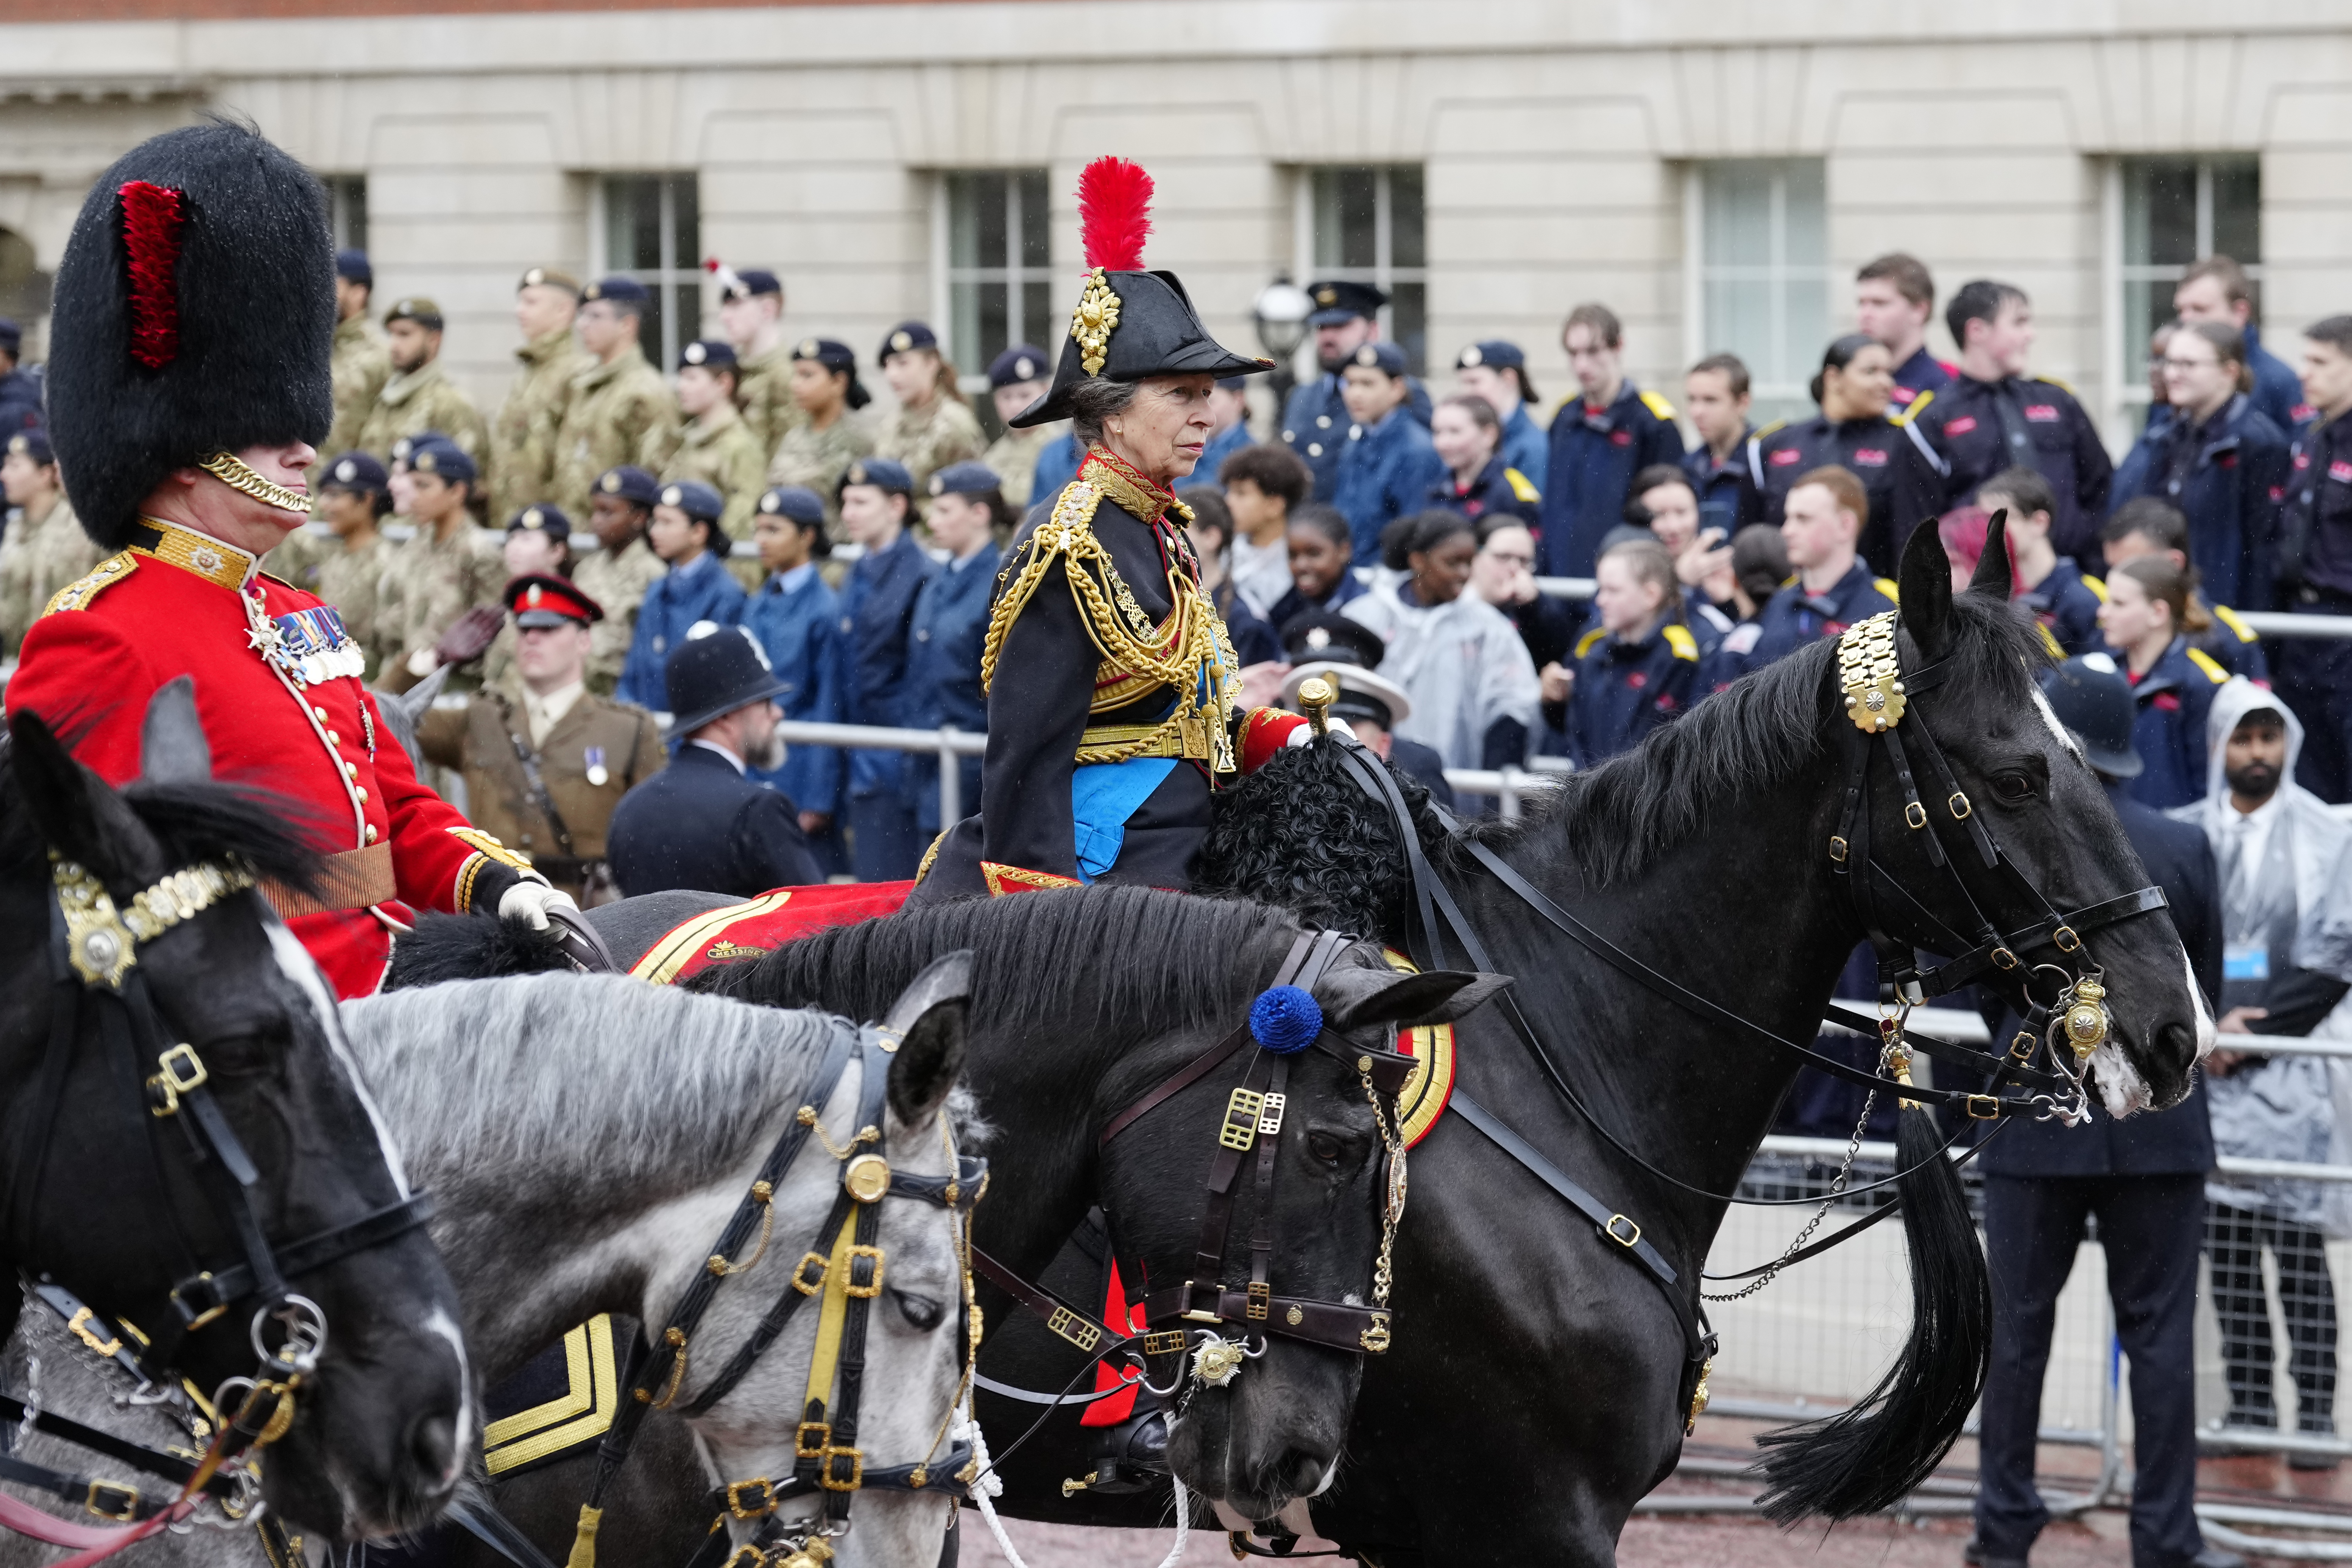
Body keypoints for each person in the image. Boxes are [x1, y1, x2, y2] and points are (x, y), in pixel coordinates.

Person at [5, 120, 567, 1001]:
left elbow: (394, 802)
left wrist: (497, 879)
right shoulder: (99, 634)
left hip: (390, 980)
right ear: (186, 448)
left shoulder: (298, 612)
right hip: (267, 1029)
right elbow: (86, 893)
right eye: (272, 430)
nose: (305, 449)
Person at [909, 157, 1314, 901]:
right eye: (1182, 394)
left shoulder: (1162, 525)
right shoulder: (1070, 546)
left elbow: (1185, 711)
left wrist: (1277, 733)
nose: (1207, 414)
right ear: (1114, 409)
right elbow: (1025, 762)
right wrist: (1046, 929)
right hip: (1110, 855)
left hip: (1191, 825)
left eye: (1210, 394)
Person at [1969, 656, 2231, 1568]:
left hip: (2038, 1118)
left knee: (2015, 1339)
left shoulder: (2013, 843)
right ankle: (2166, 1534)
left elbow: (1985, 989)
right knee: (2160, 1343)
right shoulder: (2183, 846)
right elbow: (2194, 996)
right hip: (2160, 1131)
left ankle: (2001, 1528)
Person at [2175, 681, 2352, 1457]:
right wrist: (2203, 1032)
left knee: (2298, 1249)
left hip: (2291, 1071)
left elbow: (2337, 952)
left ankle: (2314, 1414)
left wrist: (2259, 1036)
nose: (2257, 754)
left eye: (2268, 739)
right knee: (2230, 1245)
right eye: (2242, 739)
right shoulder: (2184, 833)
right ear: (2219, 745)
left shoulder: (2330, 832)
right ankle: (2248, 1406)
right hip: (2203, 1067)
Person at [418, 573, 665, 906]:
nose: (532, 638)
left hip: (585, 922)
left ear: (583, 641)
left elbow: (654, 840)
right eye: (524, 628)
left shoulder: (628, 730)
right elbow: (372, 725)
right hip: (491, 915)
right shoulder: (478, 721)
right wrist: (431, 662)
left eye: (548, 629)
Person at [607, 625, 823, 897]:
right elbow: (817, 917)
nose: (777, 713)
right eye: (765, 701)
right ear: (725, 717)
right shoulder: (758, 810)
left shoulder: (631, 808)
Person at [1910, 279, 2113, 562]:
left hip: (2066, 577)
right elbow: (1919, 517)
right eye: (2018, 323)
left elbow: (2100, 486)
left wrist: (2088, 558)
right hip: (1983, 587)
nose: (2030, 335)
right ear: (1977, 331)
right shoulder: (1936, 416)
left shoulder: (2057, 400)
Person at [2111, 319, 2290, 611]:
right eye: (2169, 363)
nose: (2171, 374)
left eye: (2187, 364)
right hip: (2172, 606)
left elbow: (2264, 553)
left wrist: (2247, 633)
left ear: (2229, 372)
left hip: (2227, 614)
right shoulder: (2167, 436)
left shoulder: (2260, 443)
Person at [1345, 509, 1540, 773]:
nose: (1464, 573)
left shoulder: (1487, 627)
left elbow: (1514, 705)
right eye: (1452, 563)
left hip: (1451, 786)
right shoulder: (1365, 616)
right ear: (1418, 561)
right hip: (1368, 779)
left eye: (1469, 562)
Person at [1746, 333, 1939, 574]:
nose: (1886, 382)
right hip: (1790, 602)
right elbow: (1754, 536)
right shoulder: (1776, 443)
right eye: (1871, 372)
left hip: (1876, 602)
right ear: (1833, 378)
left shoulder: (1906, 441)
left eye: (1888, 373)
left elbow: (1915, 537)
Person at [831, 456, 933, 881]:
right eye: (845, 502)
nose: (847, 513)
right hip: (857, 749)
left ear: (896, 507)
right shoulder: (856, 570)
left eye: (860, 502)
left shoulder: (921, 573)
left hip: (896, 753)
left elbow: (919, 676)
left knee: (891, 884)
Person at [1538, 301, 1685, 580]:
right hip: (1561, 578)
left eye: (1593, 351)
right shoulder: (1564, 417)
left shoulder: (1652, 422)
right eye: (1573, 353)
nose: (1582, 365)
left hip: (1622, 582)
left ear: (1618, 347)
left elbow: (1665, 513)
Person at [743, 484, 848, 869]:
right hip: (758, 761)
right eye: (758, 530)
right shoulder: (759, 601)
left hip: (799, 769)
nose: (761, 541)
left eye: (774, 530)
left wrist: (819, 796)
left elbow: (829, 702)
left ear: (807, 536)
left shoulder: (824, 608)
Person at [904, 462, 1003, 845]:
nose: (933, 520)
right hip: (925, 754)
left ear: (979, 514)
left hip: (969, 760)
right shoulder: (937, 579)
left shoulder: (999, 582)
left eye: (946, 510)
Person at [1721, 465, 1899, 674]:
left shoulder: (1885, 607)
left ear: (1845, 526)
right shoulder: (1780, 602)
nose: (1787, 531)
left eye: (1803, 519)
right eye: (1787, 518)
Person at [2279, 314, 2352, 800]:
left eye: (2320, 362)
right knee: (2311, 777)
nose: (2305, 373)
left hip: (2345, 624)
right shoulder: (2313, 436)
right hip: (2303, 625)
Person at [1278, 612, 1453, 806]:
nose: (1329, 742)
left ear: (1383, 744)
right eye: (1314, 727)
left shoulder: (1416, 767)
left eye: (1348, 729)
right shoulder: (1280, 770)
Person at [1280, 278, 1431, 501]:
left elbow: (1417, 473)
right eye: (1322, 328)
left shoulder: (1404, 393)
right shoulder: (1303, 395)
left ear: (1373, 331)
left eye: (1341, 327)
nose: (1328, 338)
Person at [2101, 554, 2232, 809]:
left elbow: (2207, 787)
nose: (2102, 612)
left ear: (2158, 613)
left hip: (2169, 837)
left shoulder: (2201, 684)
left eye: (2118, 603)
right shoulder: (2101, 671)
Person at [1562, 537, 1702, 767]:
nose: (1601, 600)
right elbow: (1577, 736)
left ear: (1650, 595)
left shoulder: (1679, 657)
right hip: (1589, 795)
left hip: (1647, 798)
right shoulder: (1592, 650)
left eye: (1613, 591)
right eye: (1601, 589)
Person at [379, 438, 504, 691]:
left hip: (454, 685)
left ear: (457, 492)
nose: (414, 497)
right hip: (407, 677)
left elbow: (493, 630)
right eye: (412, 485)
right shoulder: (418, 544)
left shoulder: (479, 553)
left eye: (424, 486)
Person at [2104, 495, 2270, 682]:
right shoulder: (2108, 629)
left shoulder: (2225, 643)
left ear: (2174, 563)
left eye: (2132, 568)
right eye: (2112, 568)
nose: (2118, 580)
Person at [552, 277, 680, 520]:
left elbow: (656, 478)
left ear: (627, 325)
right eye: (583, 315)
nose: (582, 325)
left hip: (618, 537)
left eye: (595, 316)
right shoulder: (582, 384)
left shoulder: (646, 391)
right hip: (576, 533)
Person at [264, 451, 397, 679]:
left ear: (367, 499)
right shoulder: (332, 557)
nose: (324, 505)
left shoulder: (389, 564)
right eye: (324, 495)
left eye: (335, 496)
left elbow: (386, 645)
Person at [617, 479, 745, 710]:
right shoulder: (657, 589)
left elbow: (718, 684)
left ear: (698, 532)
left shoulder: (726, 595)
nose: (654, 531)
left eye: (667, 523)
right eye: (656, 521)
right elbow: (634, 670)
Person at [1468, 513, 1582, 744]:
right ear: (1474, 557)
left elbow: (1560, 655)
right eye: (1503, 557)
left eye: (1524, 561)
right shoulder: (1451, 607)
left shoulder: (1538, 612)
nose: (1515, 570)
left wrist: (1534, 609)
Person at [489, 266, 589, 524]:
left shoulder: (576, 374)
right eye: (520, 302)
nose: (519, 311)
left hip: (546, 530)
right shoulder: (529, 374)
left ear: (563, 310)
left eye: (531, 303)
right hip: (512, 524)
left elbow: (574, 466)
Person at [1331, 341, 1446, 561]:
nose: (1355, 394)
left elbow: (1413, 531)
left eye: (1367, 384)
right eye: (1350, 383)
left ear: (1397, 389)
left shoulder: (1417, 451)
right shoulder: (1356, 440)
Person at [652, 339, 768, 552]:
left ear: (724, 384)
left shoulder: (740, 446)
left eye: (692, 378)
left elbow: (742, 524)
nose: (681, 387)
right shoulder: (684, 439)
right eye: (681, 377)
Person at [1978, 465, 2107, 656]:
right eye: (1980, 521)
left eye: (2000, 519)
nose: (1986, 530)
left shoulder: (2082, 597)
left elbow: (2097, 675)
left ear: (2040, 523)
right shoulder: (1991, 594)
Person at [0, 427, 100, 657]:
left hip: (72, 658)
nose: (4, 475)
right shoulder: (13, 528)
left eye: (14, 466)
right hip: (17, 660)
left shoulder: (82, 526)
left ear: (46, 474)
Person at [2177, 255, 2305, 434]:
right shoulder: (2174, 374)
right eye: (2181, 310)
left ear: (2240, 312)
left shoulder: (2279, 381)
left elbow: (2300, 453)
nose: (2186, 319)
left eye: (2200, 309)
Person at [355, 296, 488, 467]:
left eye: (404, 334)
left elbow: (468, 480)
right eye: (392, 334)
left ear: (434, 340)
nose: (394, 344)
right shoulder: (387, 398)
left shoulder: (452, 404)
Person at [766, 337, 876, 537]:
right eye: (795, 375)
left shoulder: (858, 441)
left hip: (835, 554)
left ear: (838, 382)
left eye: (807, 375)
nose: (795, 385)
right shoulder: (794, 437)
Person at [572, 464, 668, 694]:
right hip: (580, 685)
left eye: (608, 513)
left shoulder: (655, 574)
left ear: (639, 518)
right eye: (595, 511)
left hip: (622, 690)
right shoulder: (586, 568)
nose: (596, 521)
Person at [873, 321, 984, 507]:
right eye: (887, 365)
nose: (891, 375)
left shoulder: (955, 422)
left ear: (932, 363)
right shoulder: (890, 425)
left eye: (902, 363)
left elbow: (975, 492)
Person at [1622, 463, 1738, 641]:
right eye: (1659, 515)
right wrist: (1679, 583)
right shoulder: (1621, 566)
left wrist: (1728, 602)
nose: (1673, 527)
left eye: (1682, 512)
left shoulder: (1720, 565)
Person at [475, 503, 578, 697]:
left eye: (526, 539)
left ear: (557, 552)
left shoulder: (568, 611)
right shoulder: (509, 604)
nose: (513, 548)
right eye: (511, 539)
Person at [1181, 485, 1281, 669]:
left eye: (1179, 531)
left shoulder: (1247, 622)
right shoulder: (1170, 601)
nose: (1168, 539)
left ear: (1211, 537)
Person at [1220, 442, 1311, 618]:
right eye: (1229, 492)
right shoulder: (1223, 550)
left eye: (1241, 494)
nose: (1228, 502)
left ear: (1275, 505)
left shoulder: (1297, 563)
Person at [1428, 392, 1541, 528]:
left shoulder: (1511, 490)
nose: (1443, 443)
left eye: (1455, 432)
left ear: (1489, 435)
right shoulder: (1437, 488)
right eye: (1437, 432)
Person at [718, 267, 799, 458]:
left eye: (735, 305)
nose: (724, 317)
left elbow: (787, 454)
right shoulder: (732, 370)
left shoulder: (786, 375)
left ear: (767, 310)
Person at [1854, 251, 1952, 405]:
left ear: (1919, 310)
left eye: (1879, 303)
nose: (1865, 315)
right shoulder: (1853, 381)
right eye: (1861, 304)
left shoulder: (1944, 387)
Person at [1680, 352, 1758, 540]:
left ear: (1743, 403)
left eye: (1710, 400)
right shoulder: (1687, 467)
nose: (1697, 412)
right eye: (1692, 400)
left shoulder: (1763, 463)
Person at [322, 248, 390, 466]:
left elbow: (383, 431)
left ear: (359, 293)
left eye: (333, 285)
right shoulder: (319, 346)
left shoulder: (381, 355)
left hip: (347, 488)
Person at [1453, 339, 1547, 488]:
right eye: (1462, 384)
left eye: (1474, 382)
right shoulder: (1463, 439)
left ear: (1508, 380)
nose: (1465, 393)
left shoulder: (1533, 447)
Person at [979, 344, 1057, 511]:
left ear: (1046, 392)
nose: (1015, 405)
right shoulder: (993, 455)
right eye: (1006, 397)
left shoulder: (1060, 449)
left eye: (1025, 395)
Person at [1267, 502, 1365, 628]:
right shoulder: (1285, 610)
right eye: (1293, 556)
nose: (1301, 565)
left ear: (1343, 551)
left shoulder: (1366, 607)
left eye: (1314, 554)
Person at [1200, 374, 1255, 478]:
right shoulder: (1197, 446)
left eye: (1210, 401)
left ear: (1237, 400)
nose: (1201, 410)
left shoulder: (1251, 458)